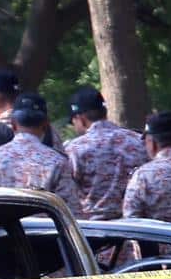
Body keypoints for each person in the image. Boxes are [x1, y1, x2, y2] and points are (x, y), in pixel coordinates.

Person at [0, 92, 80, 209]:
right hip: (43, 227)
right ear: (45, 124)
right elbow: (72, 210)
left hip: (0, 227)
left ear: (13, 124)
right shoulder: (58, 163)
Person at [62, 87, 146, 219]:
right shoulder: (138, 141)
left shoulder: (75, 149)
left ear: (81, 119)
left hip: (92, 230)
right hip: (134, 228)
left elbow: (66, 191)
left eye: (73, 122)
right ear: (104, 113)